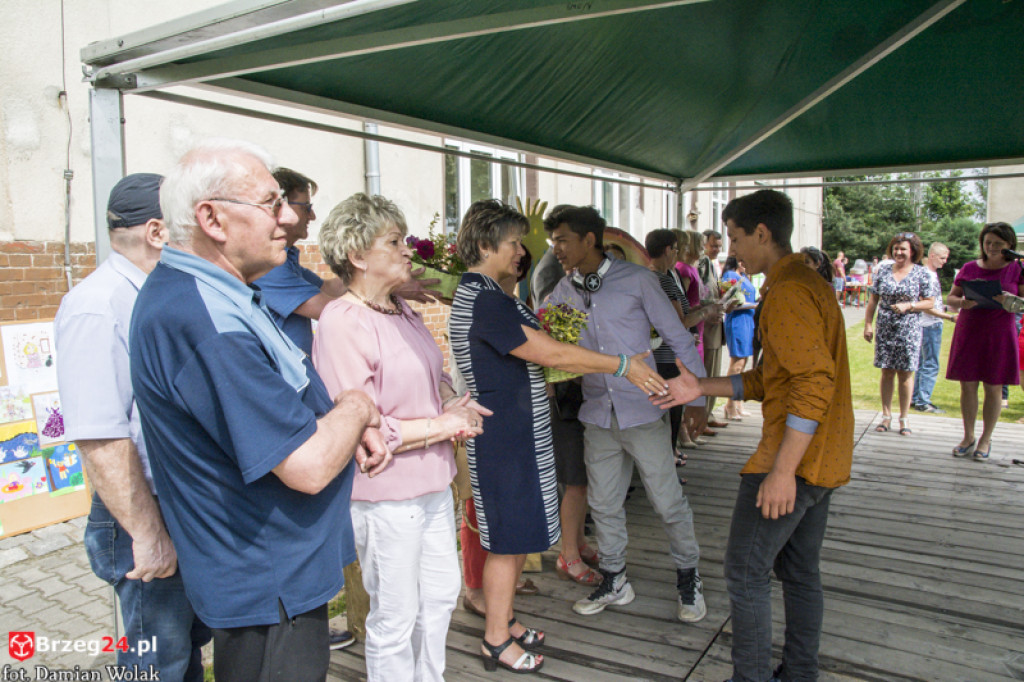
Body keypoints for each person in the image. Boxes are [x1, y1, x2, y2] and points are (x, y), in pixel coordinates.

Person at [130, 139, 390, 682]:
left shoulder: (218, 293)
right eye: (272, 204)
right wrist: (357, 405)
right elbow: (309, 464)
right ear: (212, 219)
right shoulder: (204, 320)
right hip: (269, 580)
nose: (289, 218)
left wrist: (342, 420)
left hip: (276, 573)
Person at [449, 201, 666, 674]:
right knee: (507, 541)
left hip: (514, 430)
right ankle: (494, 640)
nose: (521, 253)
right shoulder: (484, 298)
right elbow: (544, 351)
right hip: (502, 436)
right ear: (485, 245)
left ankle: (505, 620)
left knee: (517, 534)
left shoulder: (490, 292)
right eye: (512, 243)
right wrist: (622, 364)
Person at [654, 189, 853, 682]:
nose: (732, 248)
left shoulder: (787, 292)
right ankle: (800, 672)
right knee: (800, 572)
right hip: (823, 458)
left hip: (794, 462)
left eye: (738, 238)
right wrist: (700, 386)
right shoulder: (807, 282)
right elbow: (775, 378)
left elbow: (812, 383)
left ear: (762, 233)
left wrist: (783, 471)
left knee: (745, 572)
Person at [312, 192, 488, 682]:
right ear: (357, 254)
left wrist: (453, 399)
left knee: (438, 600)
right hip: (386, 494)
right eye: (394, 240)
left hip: (432, 483)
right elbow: (361, 426)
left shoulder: (400, 309)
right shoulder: (343, 321)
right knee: (394, 615)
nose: (408, 249)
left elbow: (430, 375)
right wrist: (441, 425)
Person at [55, 173, 211, 680]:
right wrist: (145, 533)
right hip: (141, 508)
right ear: (157, 232)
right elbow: (100, 436)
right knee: (157, 658)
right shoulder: (97, 305)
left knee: (185, 646)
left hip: (174, 500)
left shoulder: (150, 292)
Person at [545, 206, 709, 625]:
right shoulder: (563, 292)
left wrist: (699, 395)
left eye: (563, 239)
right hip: (597, 412)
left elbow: (676, 334)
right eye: (553, 241)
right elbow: (545, 341)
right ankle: (615, 577)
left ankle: (689, 576)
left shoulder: (638, 280)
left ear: (588, 239)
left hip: (644, 407)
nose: (556, 248)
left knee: (667, 500)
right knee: (603, 504)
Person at [945, 222, 1024, 460]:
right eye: (988, 242)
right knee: (967, 385)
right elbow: (950, 297)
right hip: (970, 330)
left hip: (1000, 332)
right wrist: (961, 303)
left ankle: (985, 438)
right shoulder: (969, 267)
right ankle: (968, 436)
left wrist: (1011, 299)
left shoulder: (1017, 269)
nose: (991, 247)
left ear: (1010, 245)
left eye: (997, 244)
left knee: (994, 386)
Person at [646, 228, 718, 461]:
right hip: (667, 358)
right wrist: (707, 311)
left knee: (664, 417)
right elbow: (680, 322)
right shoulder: (663, 280)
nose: (678, 254)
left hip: (658, 356)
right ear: (668, 250)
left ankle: (668, 458)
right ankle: (668, 463)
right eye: (677, 249)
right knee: (670, 417)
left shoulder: (651, 276)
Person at [863, 232, 935, 436]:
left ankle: (904, 418)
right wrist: (868, 324)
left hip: (909, 327)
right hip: (885, 326)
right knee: (886, 371)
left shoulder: (921, 273)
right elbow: (873, 301)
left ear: (913, 251)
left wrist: (910, 305)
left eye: (903, 248)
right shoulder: (883, 271)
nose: (899, 252)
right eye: (896, 248)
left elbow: (929, 302)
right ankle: (886, 416)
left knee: (905, 373)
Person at [911, 243, 956, 414]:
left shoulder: (930, 274)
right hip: (930, 324)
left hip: (929, 323)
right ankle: (923, 401)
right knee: (930, 364)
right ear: (932, 256)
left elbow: (933, 302)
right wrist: (949, 317)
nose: (945, 262)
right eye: (942, 258)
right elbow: (925, 305)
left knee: (922, 363)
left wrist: (945, 308)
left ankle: (916, 398)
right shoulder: (926, 275)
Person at [699, 230, 731, 429]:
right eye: (714, 246)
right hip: (707, 328)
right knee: (708, 373)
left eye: (720, 246)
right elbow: (697, 296)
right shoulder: (702, 264)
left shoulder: (712, 264)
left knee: (714, 371)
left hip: (716, 326)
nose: (717, 250)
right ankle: (702, 418)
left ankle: (708, 415)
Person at [720, 256, 757, 421]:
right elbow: (730, 303)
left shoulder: (744, 276)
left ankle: (738, 402)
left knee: (744, 362)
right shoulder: (730, 276)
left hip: (748, 321)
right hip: (738, 321)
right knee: (737, 362)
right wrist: (755, 305)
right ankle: (729, 405)